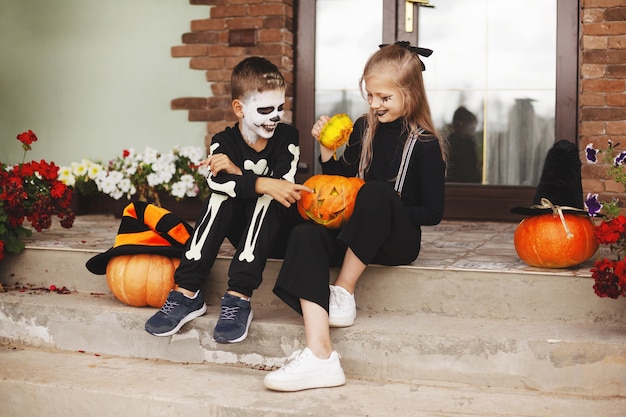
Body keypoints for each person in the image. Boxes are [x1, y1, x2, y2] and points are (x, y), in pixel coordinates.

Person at [264, 42, 447, 392]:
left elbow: (433, 213)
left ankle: (344, 291)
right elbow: (340, 184)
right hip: (353, 236)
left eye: (384, 98)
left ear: (410, 95)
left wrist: (383, 207)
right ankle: (320, 356)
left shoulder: (425, 146)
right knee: (305, 233)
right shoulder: (364, 129)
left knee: (375, 192)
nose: (375, 105)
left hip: (396, 241)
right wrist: (327, 152)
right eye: (371, 96)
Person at [145, 56, 310, 344]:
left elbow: (284, 186)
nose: (275, 117)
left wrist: (242, 175)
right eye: (266, 109)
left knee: (268, 196)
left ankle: (238, 296)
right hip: (238, 227)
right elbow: (216, 180)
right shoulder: (223, 140)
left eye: (280, 108)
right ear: (239, 108)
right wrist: (259, 181)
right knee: (220, 196)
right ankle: (187, 292)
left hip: (277, 231)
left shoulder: (287, 137)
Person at [445, 106, 481, 183]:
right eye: (472, 128)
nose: (473, 132)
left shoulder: (449, 143)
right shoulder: (455, 144)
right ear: (460, 124)